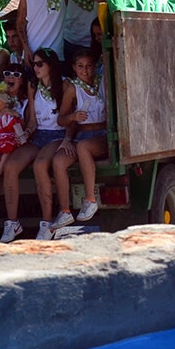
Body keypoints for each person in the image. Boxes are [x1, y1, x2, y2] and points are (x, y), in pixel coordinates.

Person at [32, 47, 105, 239]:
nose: (85, 70)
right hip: (81, 134)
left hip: (101, 135)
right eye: (80, 66)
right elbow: (61, 120)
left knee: (83, 147)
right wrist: (73, 116)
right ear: (74, 68)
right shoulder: (73, 88)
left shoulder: (102, 82)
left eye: (89, 66)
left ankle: (90, 199)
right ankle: (64, 211)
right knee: (58, 161)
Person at [0, 47, 65, 243]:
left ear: (50, 65)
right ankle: (12, 223)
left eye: (39, 64)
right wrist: (26, 133)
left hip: (57, 134)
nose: (35, 68)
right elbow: (33, 121)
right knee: (10, 166)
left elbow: (66, 118)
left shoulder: (63, 85)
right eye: (33, 64)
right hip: (38, 135)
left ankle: (47, 223)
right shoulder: (32, 86)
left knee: (39, 164)